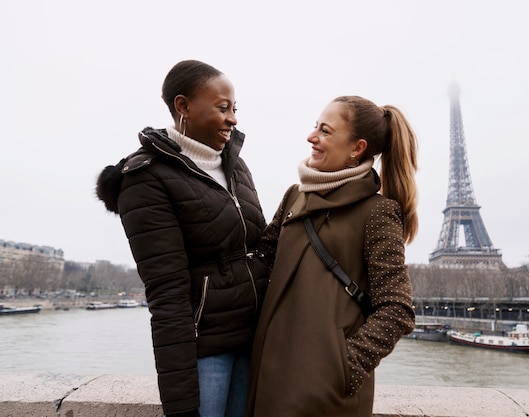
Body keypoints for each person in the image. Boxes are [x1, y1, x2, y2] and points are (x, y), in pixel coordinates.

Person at [95, 60, 268, 417]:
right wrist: (181, 402)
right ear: (183, 106)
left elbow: (261, 249)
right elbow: (167, 292)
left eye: (235, 109)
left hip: (256, 339)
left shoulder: (236, 165)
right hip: (205, 352)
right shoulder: (146, 178)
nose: (233, 118)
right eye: (223, 108)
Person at [246, 96, 418, 417]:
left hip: (326, 396)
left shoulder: (378, 212)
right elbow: (259, 265)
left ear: (357, 148)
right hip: (267, 375)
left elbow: (397, 308)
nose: (311, 137)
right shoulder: (294, 196)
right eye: (315, 127)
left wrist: (342, 370)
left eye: (325, 131)